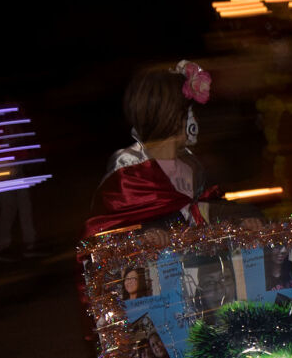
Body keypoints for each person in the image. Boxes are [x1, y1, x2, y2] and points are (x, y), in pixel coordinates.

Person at [82, 60, 212, 241]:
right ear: (174, 116)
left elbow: (209, 211)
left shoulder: (193, 166)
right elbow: (107, 236)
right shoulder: (130, 173)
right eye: (188, 112)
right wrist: (143, 236)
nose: (194, 119)